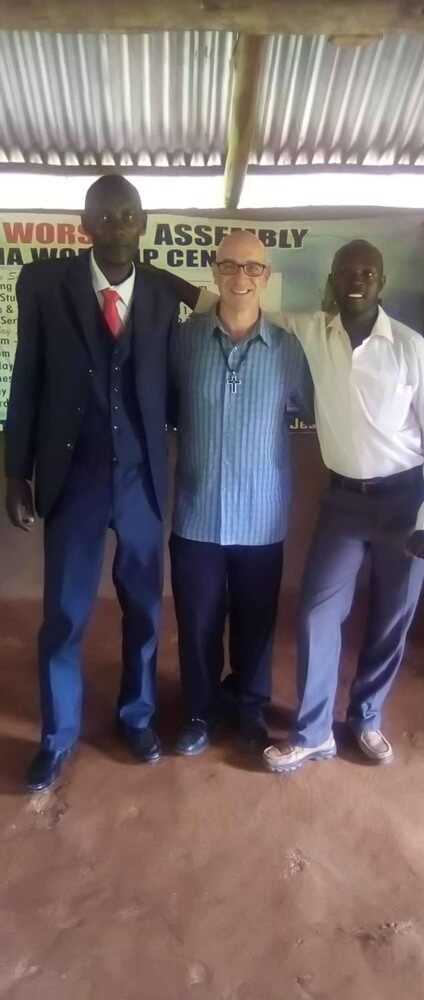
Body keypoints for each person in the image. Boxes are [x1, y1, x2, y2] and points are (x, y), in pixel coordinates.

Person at [4, 174, 190, 792]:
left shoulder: (163, 295)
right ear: (84, 225)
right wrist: (16, 472)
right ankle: (57, 739)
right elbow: (26, 379)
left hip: (141, 481)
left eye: (128, 214)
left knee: (144, 609)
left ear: (144, 222)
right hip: (73, 479)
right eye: (104, 216)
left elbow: (176, 386)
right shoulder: (43, 285)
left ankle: (136, 718)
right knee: (63, 614)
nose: (117, 226)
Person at [259, 240, 424, 771]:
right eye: (347, 270)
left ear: (381, 282)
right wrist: (167, 284)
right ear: (333, 278)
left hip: (405, 503)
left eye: (368, 271)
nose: (357, 278)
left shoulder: (411, 348)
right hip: (344, 502)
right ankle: (314, 732)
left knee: (391, 618)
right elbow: (241, 304)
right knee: (317, 611)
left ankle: (366, 718)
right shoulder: (313, 331)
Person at [167, 231, 314, 755]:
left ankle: (250, 706)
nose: (240, 277)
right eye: (229, 265)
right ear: (214, 271)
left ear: (266, 277)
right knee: (197, 622)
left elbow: (313, 409)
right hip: (197, 512)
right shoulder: (183, 342)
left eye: (252, 268)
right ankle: (201, 711)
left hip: (261, 514)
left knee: (256, 622)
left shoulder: (289, 351)